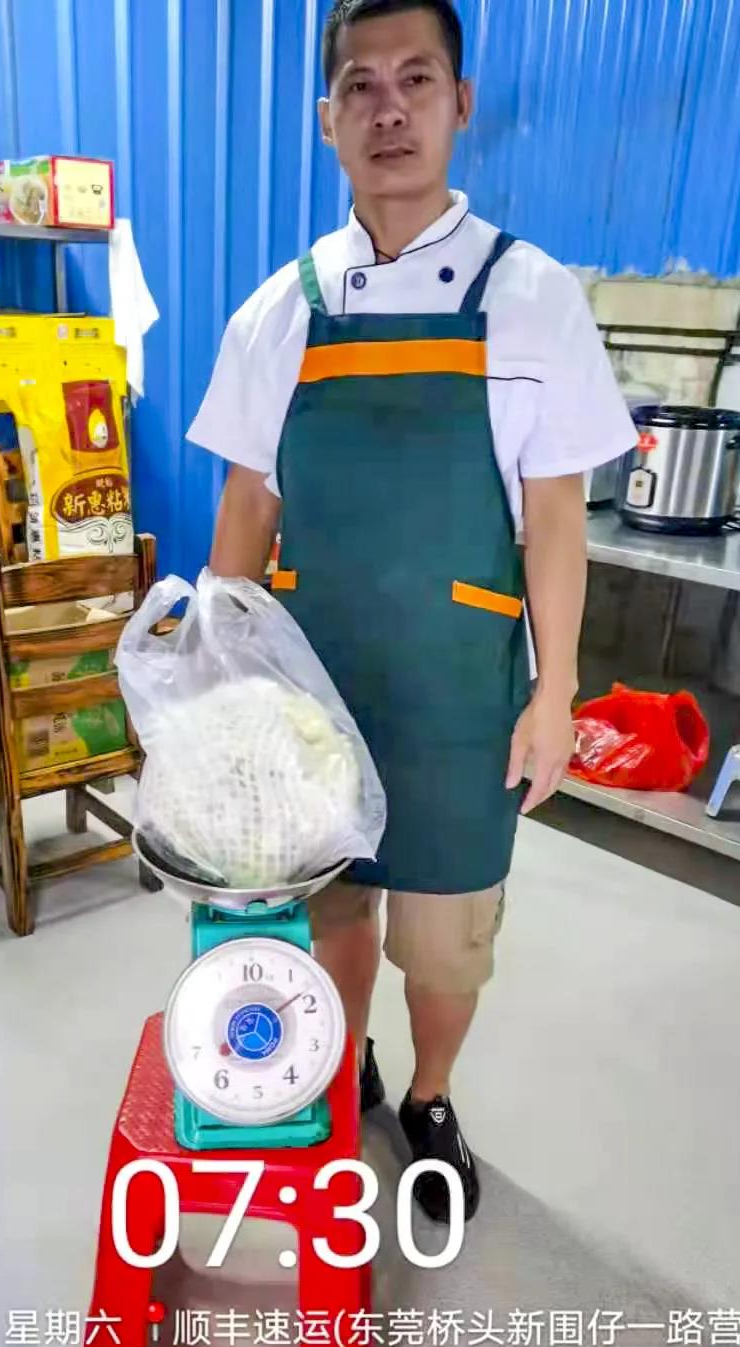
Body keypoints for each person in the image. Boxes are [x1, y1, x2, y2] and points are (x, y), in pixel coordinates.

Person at [188, 0, 636, 1226]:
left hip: (458, 699)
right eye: (361, 86)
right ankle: (348, 1068)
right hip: (312, 694)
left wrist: (556, 693)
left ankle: (429, 1094)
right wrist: (219, 678)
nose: (388, 110)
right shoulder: (277, 311)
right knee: (333, 909)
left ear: (460, 103)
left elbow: (555, 517)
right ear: (327, 117)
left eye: (417, 80)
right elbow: (248, 504)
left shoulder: (533, 297)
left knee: (446, 942)